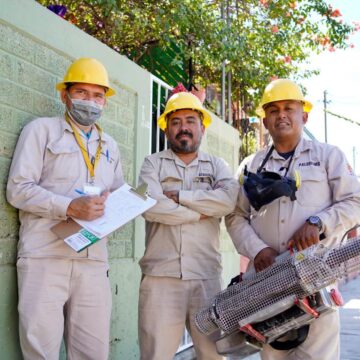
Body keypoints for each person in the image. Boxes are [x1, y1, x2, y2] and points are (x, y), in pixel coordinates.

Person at [225, 78, 360, 360]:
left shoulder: (328, 156)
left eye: (289, 107)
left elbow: (355, 201)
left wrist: (318, 221)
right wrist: (257, 249)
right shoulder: (251, 165)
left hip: (315, 278)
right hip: (266, 282)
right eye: (273, 110)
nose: (281, 114)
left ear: (304, 115)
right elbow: (235, 215)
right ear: (265, 120)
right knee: (273, 355)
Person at [6, 58, 124, 360]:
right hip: (45, 257)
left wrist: (119, 205)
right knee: (40, 351)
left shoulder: (109, 145)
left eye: (98, 95)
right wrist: (69, 207)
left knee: (93, 353)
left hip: (93, 261)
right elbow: (18, 189)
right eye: (82, 93)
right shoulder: (41, 131)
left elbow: (117, 194)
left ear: (105, 102)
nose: (90, 101)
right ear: (64, 95)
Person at [137, 91, 239, 360]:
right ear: (167, 129)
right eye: (176, 122)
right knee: (154, 354)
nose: (183, 127)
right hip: (161, 277)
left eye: (190, 121)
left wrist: (183, 197)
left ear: (202, 127)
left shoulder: (218, 166)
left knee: (212, 354)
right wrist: (199, 213)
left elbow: (227, 202)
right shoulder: (152, 164)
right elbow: (150, 207)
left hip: (205, 277)